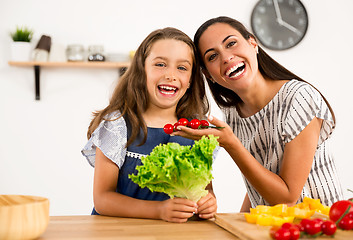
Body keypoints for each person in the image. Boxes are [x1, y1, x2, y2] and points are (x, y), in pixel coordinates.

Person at [172, 16, 343, 211]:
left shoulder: (299, 98)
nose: (226, 57)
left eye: (231, 43)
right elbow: (261, 178)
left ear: (253, 43)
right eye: (212, 56)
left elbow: (286, 197)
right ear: (208, 74)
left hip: (320, 228)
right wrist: (241, 221)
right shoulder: (233, 113)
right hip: (273, 227)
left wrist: (231, 144)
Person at [81, 27, 217, 222]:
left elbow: (205, 191)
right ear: (141, 70)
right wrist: (159, 210)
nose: (171, 75)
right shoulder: (118, 125)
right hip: (119, 233)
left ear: (190, 80)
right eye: (160, 64)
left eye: (182, 67)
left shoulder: (198, 130)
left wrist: (208, 202)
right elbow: (103, 199)